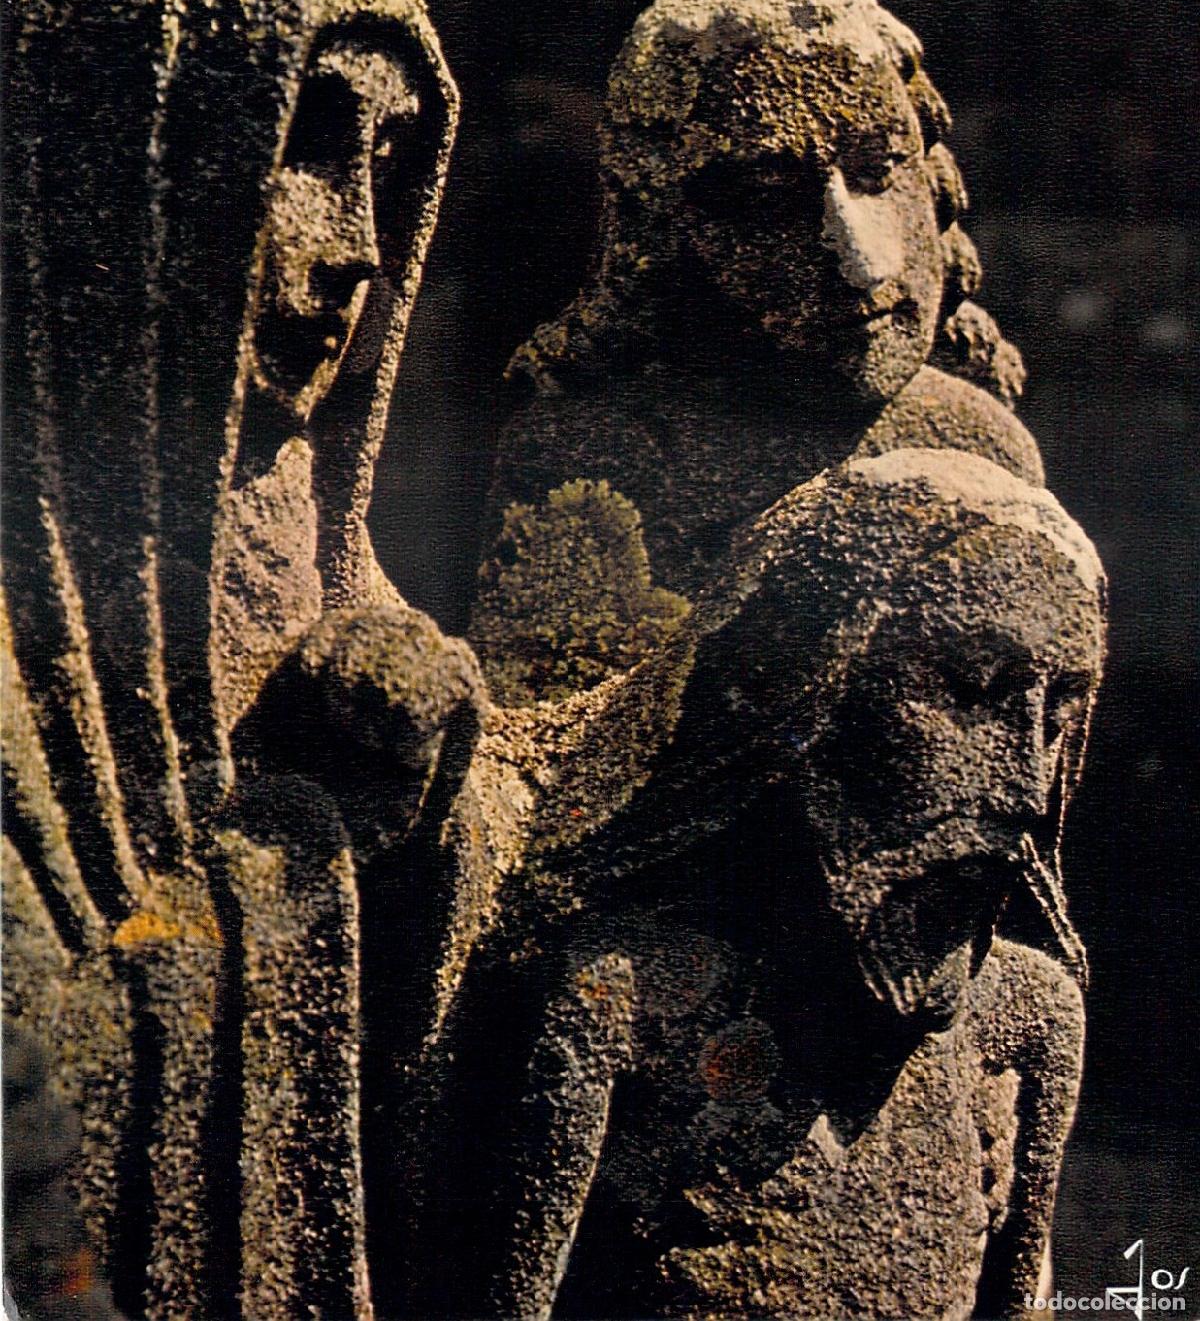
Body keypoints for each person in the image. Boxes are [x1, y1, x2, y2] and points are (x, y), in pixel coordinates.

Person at [1, 0, 480, 1319]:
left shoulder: (312, 554)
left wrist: (433, 792)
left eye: (389, 168)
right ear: (122, 180)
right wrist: (286, 851)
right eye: (304, 148)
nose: (360, 247)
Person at [421, 450, 1106, 1321]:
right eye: (973, 690)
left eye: (1059, 715)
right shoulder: (626, 999)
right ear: (804, 688)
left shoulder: (1028, 1017)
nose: (1024, 782)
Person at [472, 0, 1039, 702]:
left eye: (876, 171)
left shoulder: (978, 447)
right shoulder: (596, 455)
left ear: (930, 177)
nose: (860, 260)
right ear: (661, 227)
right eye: (770, 198)